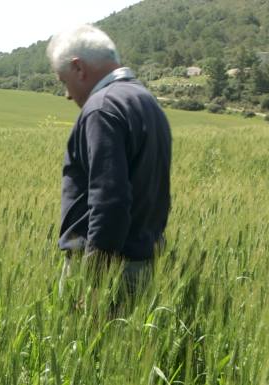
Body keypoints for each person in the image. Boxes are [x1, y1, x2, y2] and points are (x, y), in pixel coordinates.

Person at [46, 25, 171, 299]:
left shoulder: (101, 108)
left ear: (79, 68)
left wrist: (94, 281)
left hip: (107, 269)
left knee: (87, 341)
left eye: (63, 81)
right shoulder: (146, 100)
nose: (67, 94)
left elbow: (109, 199)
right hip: (141, 265)